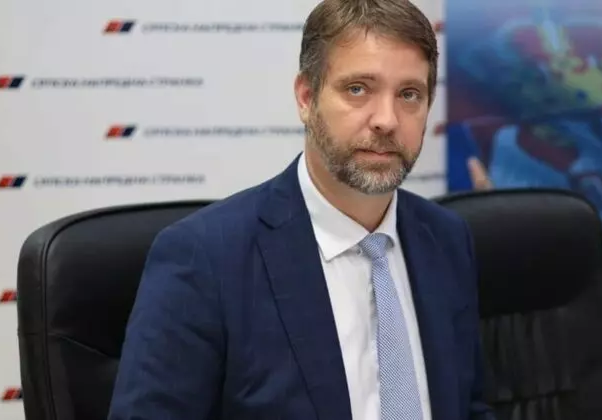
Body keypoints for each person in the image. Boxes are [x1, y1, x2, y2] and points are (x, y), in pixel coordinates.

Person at [107, 0, 495, 419]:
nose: (387, 119)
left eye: (409, 94)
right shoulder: (205, 257)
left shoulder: (446, 239)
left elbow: (469, 406)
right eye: (358, 89)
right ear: (307, 98)